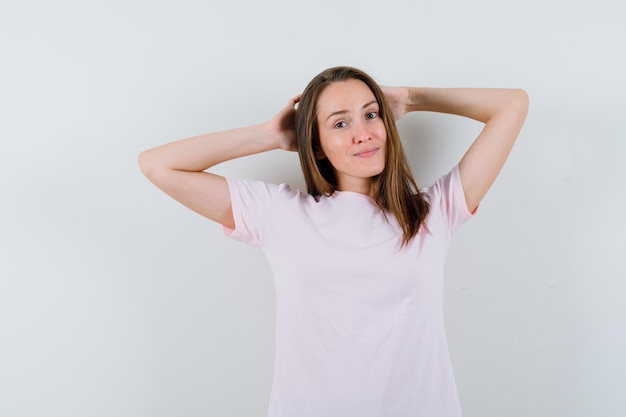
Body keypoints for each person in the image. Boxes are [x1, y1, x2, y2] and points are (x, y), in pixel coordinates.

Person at [138, 66, 528, 417]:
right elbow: (158, 164)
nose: (364, 133)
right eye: (340, 124)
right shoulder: (280, 214)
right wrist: (269, 135)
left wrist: (412, 98)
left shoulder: (433, 212)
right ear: (316, 144)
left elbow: (512, 104)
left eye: (371, 114)